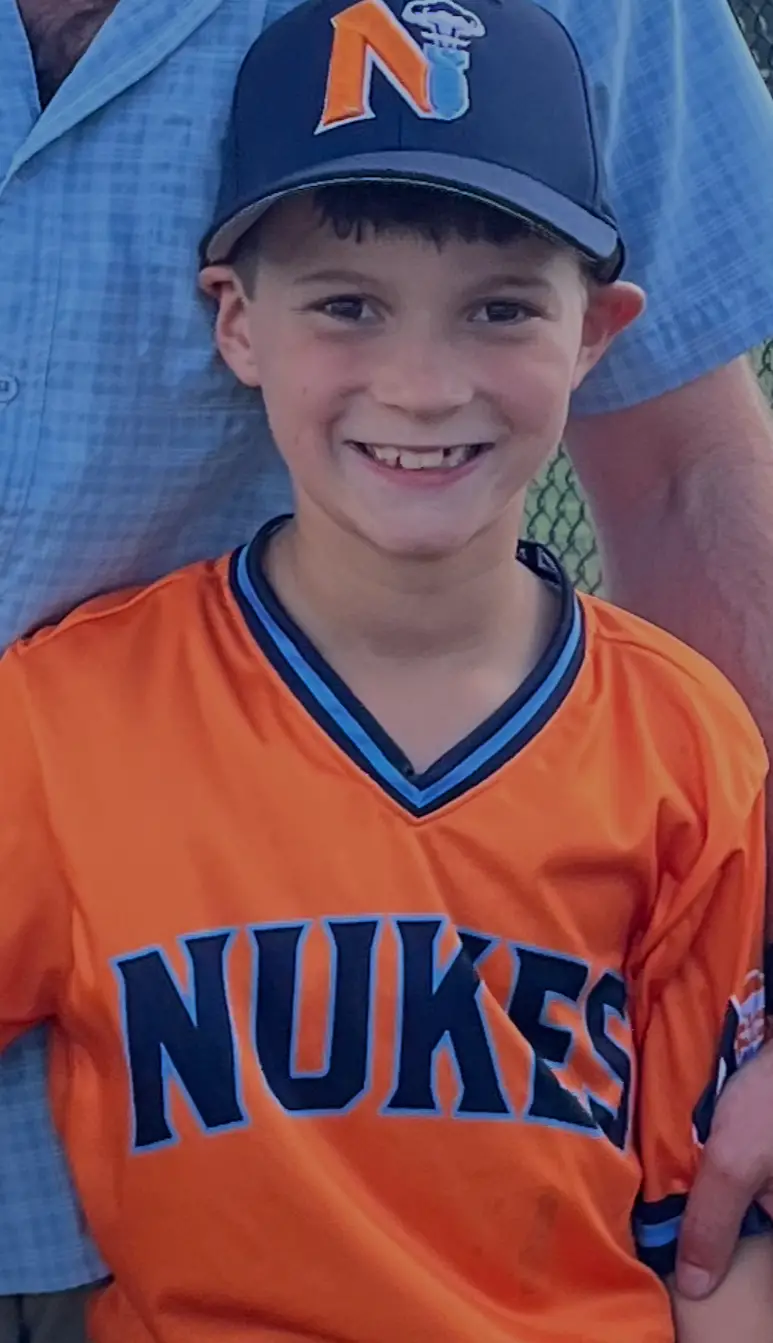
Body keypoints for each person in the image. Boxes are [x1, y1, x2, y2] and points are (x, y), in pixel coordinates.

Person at [2, 0, 773, 1338]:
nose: (421, 384)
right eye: (349, 306)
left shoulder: (685, 742)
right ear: (238, 323)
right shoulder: (68, 724)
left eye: (500, 308)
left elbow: (708, 1241)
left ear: (596, 330)